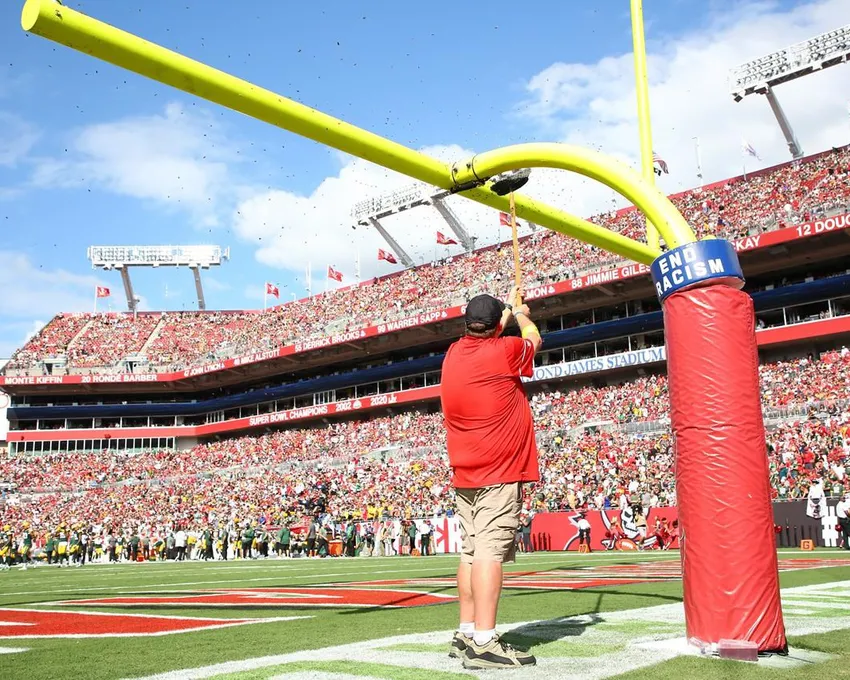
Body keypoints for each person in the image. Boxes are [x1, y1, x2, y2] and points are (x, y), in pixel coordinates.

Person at [441, 286, 542, 670]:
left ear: (468, 324)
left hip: (466, 471)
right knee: (488, 554)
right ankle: (485, 641)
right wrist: (522, 315)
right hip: (498, 470)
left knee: (470, 552)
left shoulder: (453, 353)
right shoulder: (505, 350)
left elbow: (490, 332)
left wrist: (505, 316)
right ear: (496, 326)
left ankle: (466, 632)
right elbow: (533, 338)